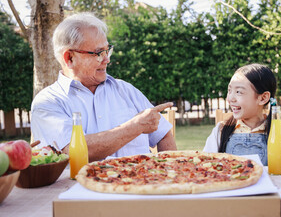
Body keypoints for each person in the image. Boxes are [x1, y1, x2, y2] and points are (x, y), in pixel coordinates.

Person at [31, 13, 177, 162]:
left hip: (141, 182)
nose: (107, 59)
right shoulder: (47, 102)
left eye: (107, 50)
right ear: (69, 58)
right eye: (99, 53)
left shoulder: (126, 90)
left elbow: (163, 134)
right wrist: (135, 126)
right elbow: (73, 151)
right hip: (82, 184)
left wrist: (170, 172)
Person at [203, 63, 281, 166]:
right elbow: (206, 166)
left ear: (263, 98)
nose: (230, 99)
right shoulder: (221, 130)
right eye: (229, 90)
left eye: (238, 92)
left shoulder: (277, 132)